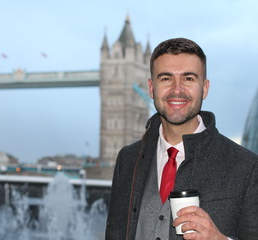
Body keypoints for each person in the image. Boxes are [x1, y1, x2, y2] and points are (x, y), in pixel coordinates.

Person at [105, 38, 258, 240]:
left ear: (204, 88)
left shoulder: (246, 165)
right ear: (151, 88)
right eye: (166, 79)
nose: (177, 90)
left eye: (188, 79)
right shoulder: (127, 159)